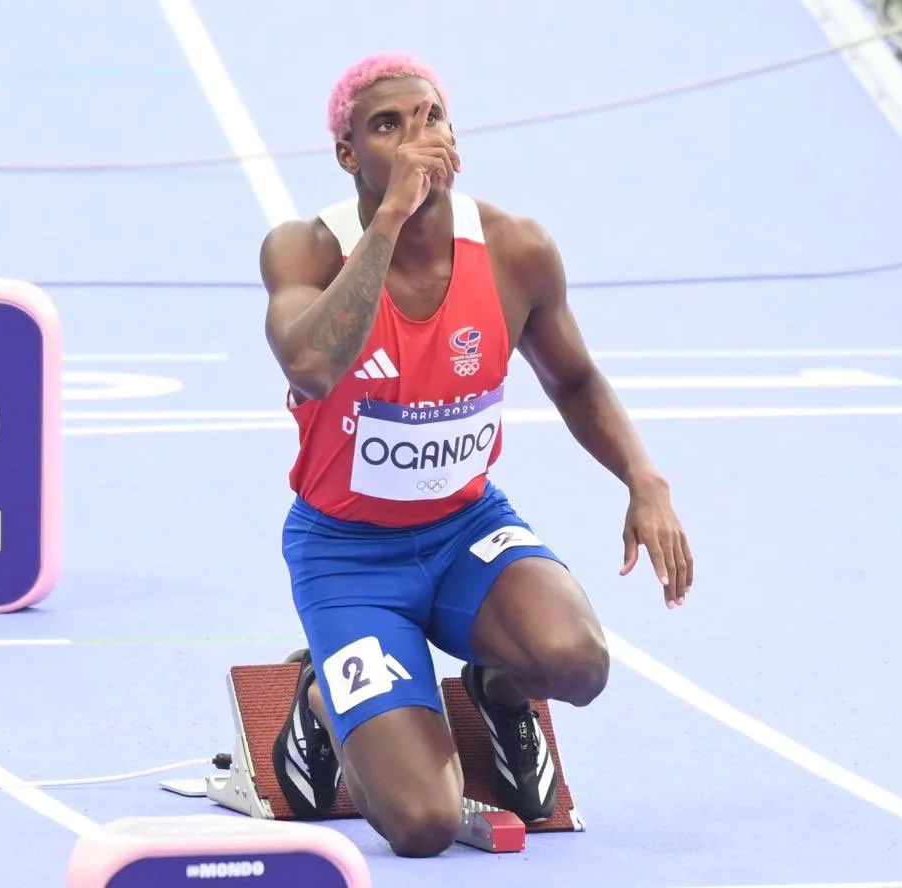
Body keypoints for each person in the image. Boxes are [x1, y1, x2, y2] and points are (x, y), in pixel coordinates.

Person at [258, 52, 693, 858]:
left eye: (431, 117)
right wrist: (389, 219)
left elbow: (576, 378)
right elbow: (312, 366)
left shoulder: (515, 250)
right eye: (387, 125)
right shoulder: (303, 251)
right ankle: (322, 693)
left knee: (577, 662)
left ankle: (496, 689)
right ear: (349, 155)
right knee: (420, 826)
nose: (417, 136)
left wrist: (644, 477)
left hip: (466, 532)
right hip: (349, 556)